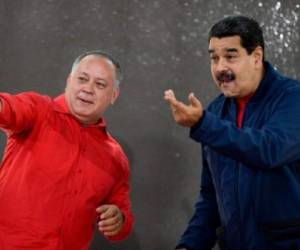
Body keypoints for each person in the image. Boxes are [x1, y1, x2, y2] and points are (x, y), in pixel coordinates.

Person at [164, 15, 300, 250]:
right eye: (214, 58)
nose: (220, 68)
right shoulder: (214, 113)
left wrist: (203, 124)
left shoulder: (292, 98)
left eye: (230, 56)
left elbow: (270, 150)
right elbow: (210, 197)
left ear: (256, 57)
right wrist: (188, 245)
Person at [0, 51, 134, 249]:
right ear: (69, 81)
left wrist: (118, 219)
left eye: (100, 84)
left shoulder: (115, 157)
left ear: (113, 95)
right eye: (82, 79)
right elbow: (8, 109)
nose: (88, 89)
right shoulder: (38, 111)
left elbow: (122, 222)